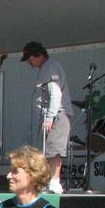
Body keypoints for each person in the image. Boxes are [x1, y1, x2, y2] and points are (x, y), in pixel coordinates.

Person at [21, 41, 73, 194]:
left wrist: (50, 117)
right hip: (53, 115)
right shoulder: (46, 67)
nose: (29, 63)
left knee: (54, 149)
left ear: (38, 55)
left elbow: (55, 93)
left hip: (57, 115)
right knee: (47, 150)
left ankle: (55, 183)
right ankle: (48, 182)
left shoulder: (50, 66)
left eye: (30, 58)